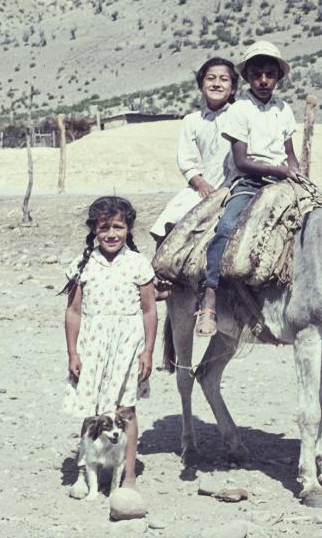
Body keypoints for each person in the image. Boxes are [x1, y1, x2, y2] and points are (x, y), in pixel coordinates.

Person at [196, 40, 300, 337]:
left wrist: (296, 172)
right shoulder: (239, 110)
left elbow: (289, 153)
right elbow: (241, 161)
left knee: (319, 222)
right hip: (251, 181)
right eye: (257, 74)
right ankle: (210, 297)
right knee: (227, 227)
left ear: (278, 77)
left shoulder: (284, 109)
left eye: (270, 74)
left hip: (283, 181)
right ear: (247, 77)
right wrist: (278, 170)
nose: (264, 80)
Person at [61, 196, 156, 490]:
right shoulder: (82, 265)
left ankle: (127, 476)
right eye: (104, 228)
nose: (112, 234)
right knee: (91, 410)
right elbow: (73, 311)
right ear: (94, 230)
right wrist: (73, 352)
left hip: (127, 346)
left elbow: (150, 310)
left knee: (125, 410)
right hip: (92, 345)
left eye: (118, 227)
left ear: (128, 228)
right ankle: (84, 472)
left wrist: (148, 351)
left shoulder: (139, 264)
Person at [149, 57, 240, 244]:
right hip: (203, 185)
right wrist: (201, 184)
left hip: (234, 184)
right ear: (201, 86)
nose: (216, 84)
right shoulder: (192, 121)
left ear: (233, 88)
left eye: (223, 79)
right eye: (210, 78)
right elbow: (186, 160)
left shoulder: (241, 115)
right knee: (173, 217)